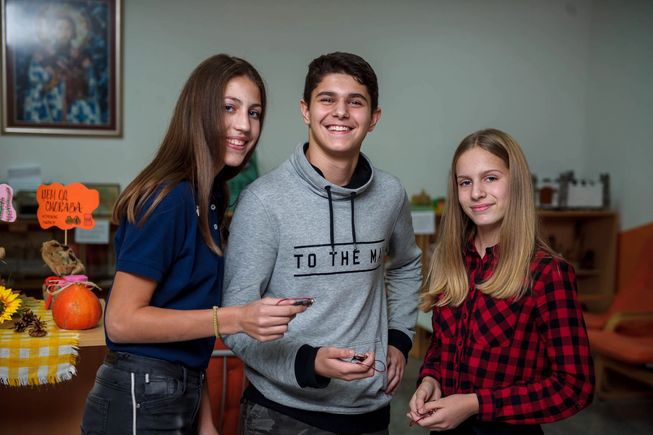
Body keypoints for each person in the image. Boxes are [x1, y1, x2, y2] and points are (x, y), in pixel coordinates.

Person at [81, 54, 306, 435]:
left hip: (179, 392)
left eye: (254, 113)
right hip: (139, 397)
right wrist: (236, 318)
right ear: (198, 111)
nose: (244, 125)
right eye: (228, 108)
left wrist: (205, 423)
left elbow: (183, 324)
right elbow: (120, 321)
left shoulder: (210, 196)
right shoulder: (169, 198)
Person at [221, 52, 422, 434]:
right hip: (282, 413)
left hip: (370, 410)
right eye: (327, 99)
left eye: (355, 101)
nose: (341, 112)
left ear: (373, 118)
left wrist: (398, 339)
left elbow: (407, 264)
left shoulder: (391, 195)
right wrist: (308, 362)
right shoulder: (263, 201)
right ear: (305, 111)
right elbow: (235, 319)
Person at [407, 129, 595, 434]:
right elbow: (442, 346)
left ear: (516, 183)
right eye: (465, 182)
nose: (476, 193)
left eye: (490, 178)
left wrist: (475, 404)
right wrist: (430, 380)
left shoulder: (547, 273)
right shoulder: (450, 262)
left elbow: (575, 387)